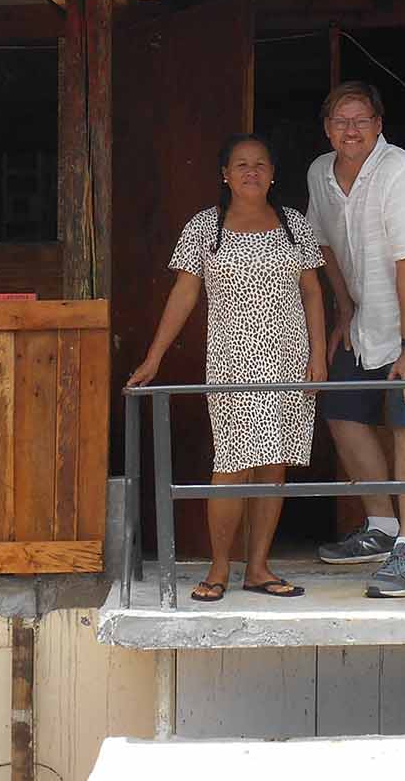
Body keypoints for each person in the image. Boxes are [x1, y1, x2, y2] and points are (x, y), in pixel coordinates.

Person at [127, 134, 328, 602]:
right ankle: (219, 568)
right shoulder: (205, 226)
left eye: (261, 164)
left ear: (273, 173)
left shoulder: (294, 225)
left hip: (288, 362)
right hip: (233, 362)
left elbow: (313, 292)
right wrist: (154, 356)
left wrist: (317, 354)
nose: (252, 172)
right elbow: (184, 293)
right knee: (233, 464)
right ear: (225, 174)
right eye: (241, 165)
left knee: (273, 468)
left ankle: (258, 567)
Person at [306, 82, 405, 598]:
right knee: (343, 412)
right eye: (339, 121)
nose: (350, 130)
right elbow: (323, 244)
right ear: (327, 127)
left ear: (378, 125)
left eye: (361, 120)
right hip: (366, 315)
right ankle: (382, 526)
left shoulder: (398, 170)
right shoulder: (319, 172)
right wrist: (344, 309)